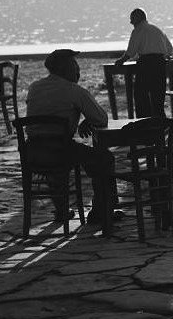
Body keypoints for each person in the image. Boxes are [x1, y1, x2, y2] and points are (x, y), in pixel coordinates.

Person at [25, 49, 118, 225]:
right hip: (59, 151)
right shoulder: (74, 90)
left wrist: (85, 120)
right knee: (104, 159)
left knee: (62, 153)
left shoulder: (34, 87)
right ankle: (103, 211)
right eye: (75, 65)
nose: (78, 69)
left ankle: (61, 210)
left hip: (32, 151)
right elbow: (101, 119)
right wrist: (88, 120)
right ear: (65, 68)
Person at [115, 8, 173, 118]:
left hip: (146, 64)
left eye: (132, 19)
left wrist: (121, 61)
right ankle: (160, 125)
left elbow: (131, 51)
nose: (131, 22)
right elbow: (170, 50)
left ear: (138, 18)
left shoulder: (138, 30)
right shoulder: (157, 29)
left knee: (141, 96)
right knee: (158, 96)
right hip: (160, 64)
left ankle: (144, 123)